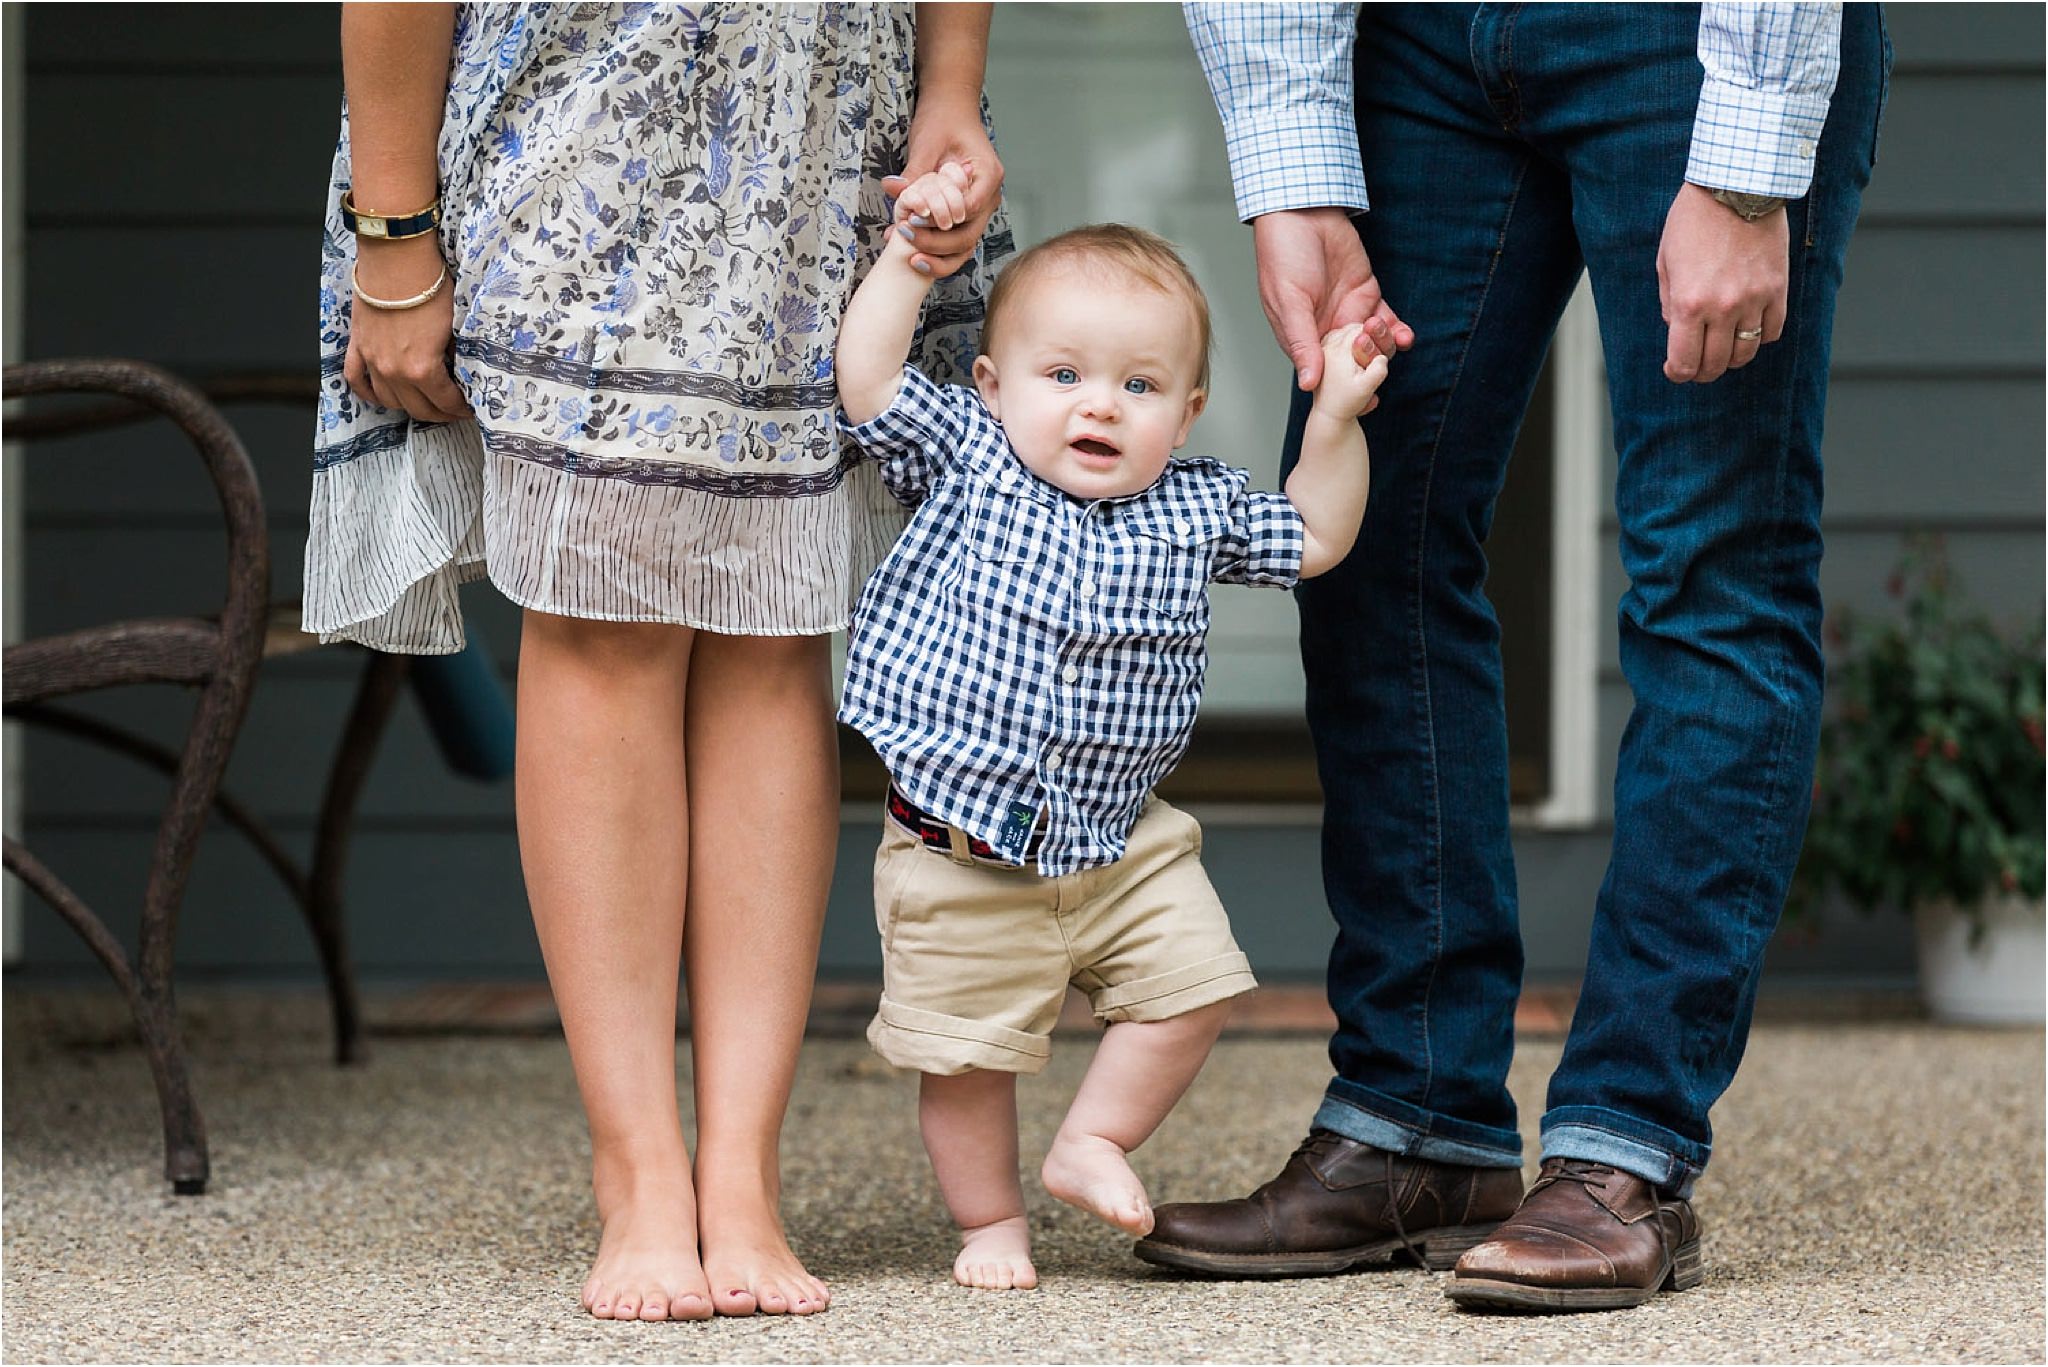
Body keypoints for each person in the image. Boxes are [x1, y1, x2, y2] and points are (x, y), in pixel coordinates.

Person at [1138, 3, 1887, 1312]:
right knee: (1366, 519)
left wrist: (1744, 160)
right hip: (1414, 38)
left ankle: (1624, 1146)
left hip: (1688, 37)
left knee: (1715, 566)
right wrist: (1292, 158)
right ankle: (1419, 1121)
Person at [309, 3, 1007, 1321]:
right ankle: (638, 1165)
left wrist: (955, 82)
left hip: (818, 117)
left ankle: (741, 1170)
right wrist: (394, 232)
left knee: (772, 629)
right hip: (583, 115)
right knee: (602, 616)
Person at [833, 185, 1390, 1290]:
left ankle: (1092, 1138)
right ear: (991, 387)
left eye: (1137, 386)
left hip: (1123, 842)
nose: (1099, 406)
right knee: (965, 1057)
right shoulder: (967, 456)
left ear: (1183, 416)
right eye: (1063, 375)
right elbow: (869, 383)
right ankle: (988, 1220)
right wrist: (904, 263)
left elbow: (1318, 534)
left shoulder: (1192, 506)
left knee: (1197, 986)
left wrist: (1332, 423)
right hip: (960, 851)